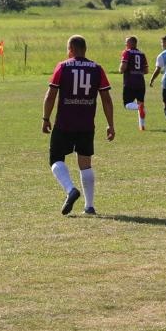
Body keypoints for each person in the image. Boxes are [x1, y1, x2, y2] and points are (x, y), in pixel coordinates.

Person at [42, 35, 115, 216]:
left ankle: (70, 190)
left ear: (71, 50)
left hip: (64, 122)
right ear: (85, 49)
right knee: (85, 163)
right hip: (86, 124)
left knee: (56, 158)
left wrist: (45, 118)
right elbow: (106, 99)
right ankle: (89, 206)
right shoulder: (97, 69)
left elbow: (51, 95)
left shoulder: (63, 66)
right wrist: (110, 124)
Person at [119, 36, 148, 132]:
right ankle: (142, 126)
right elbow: (146, 70)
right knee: (141, 103)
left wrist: (121, 70)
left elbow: (123, 67)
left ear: (131, 43)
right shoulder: (142, 54)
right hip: (141, 82)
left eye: (127, 42)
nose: (125, 44)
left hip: (130, 82)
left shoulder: (127, 52)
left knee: (127, 104)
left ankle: (138, 107)